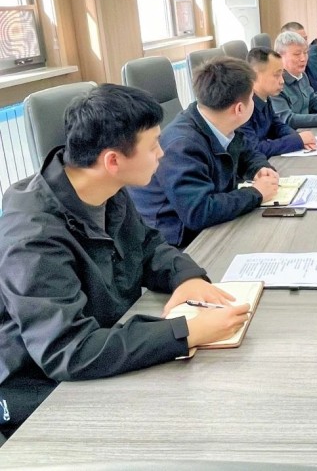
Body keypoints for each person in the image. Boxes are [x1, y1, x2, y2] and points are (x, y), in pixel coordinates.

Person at [0, 85, 250, 437]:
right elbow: (69, 350)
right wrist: (187, 331)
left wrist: (186, 277)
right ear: (113, 160)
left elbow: (147, 246)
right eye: (153, 145)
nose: (162, 152)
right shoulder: (32, 236)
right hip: (44, 392)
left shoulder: (105, 188)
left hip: (108, 345)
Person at [130, 57, 280, 248]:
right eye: (251, 98)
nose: (254, 101)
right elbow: (198, 212)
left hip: (212, 223)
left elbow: (246, 151)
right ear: (239, 109)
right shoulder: (182, 145)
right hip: (181, 241)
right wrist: (256, 193)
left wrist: (259, 167)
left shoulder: (221, 121)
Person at [241, 46, 317, 157]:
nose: (282, 81)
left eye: (282, 74)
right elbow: (254, 149)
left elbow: (277, 126)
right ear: (255, 75)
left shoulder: (265, 97)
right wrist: (297, 140)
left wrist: (299, 137)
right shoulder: (242, 106)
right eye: (277, 75)